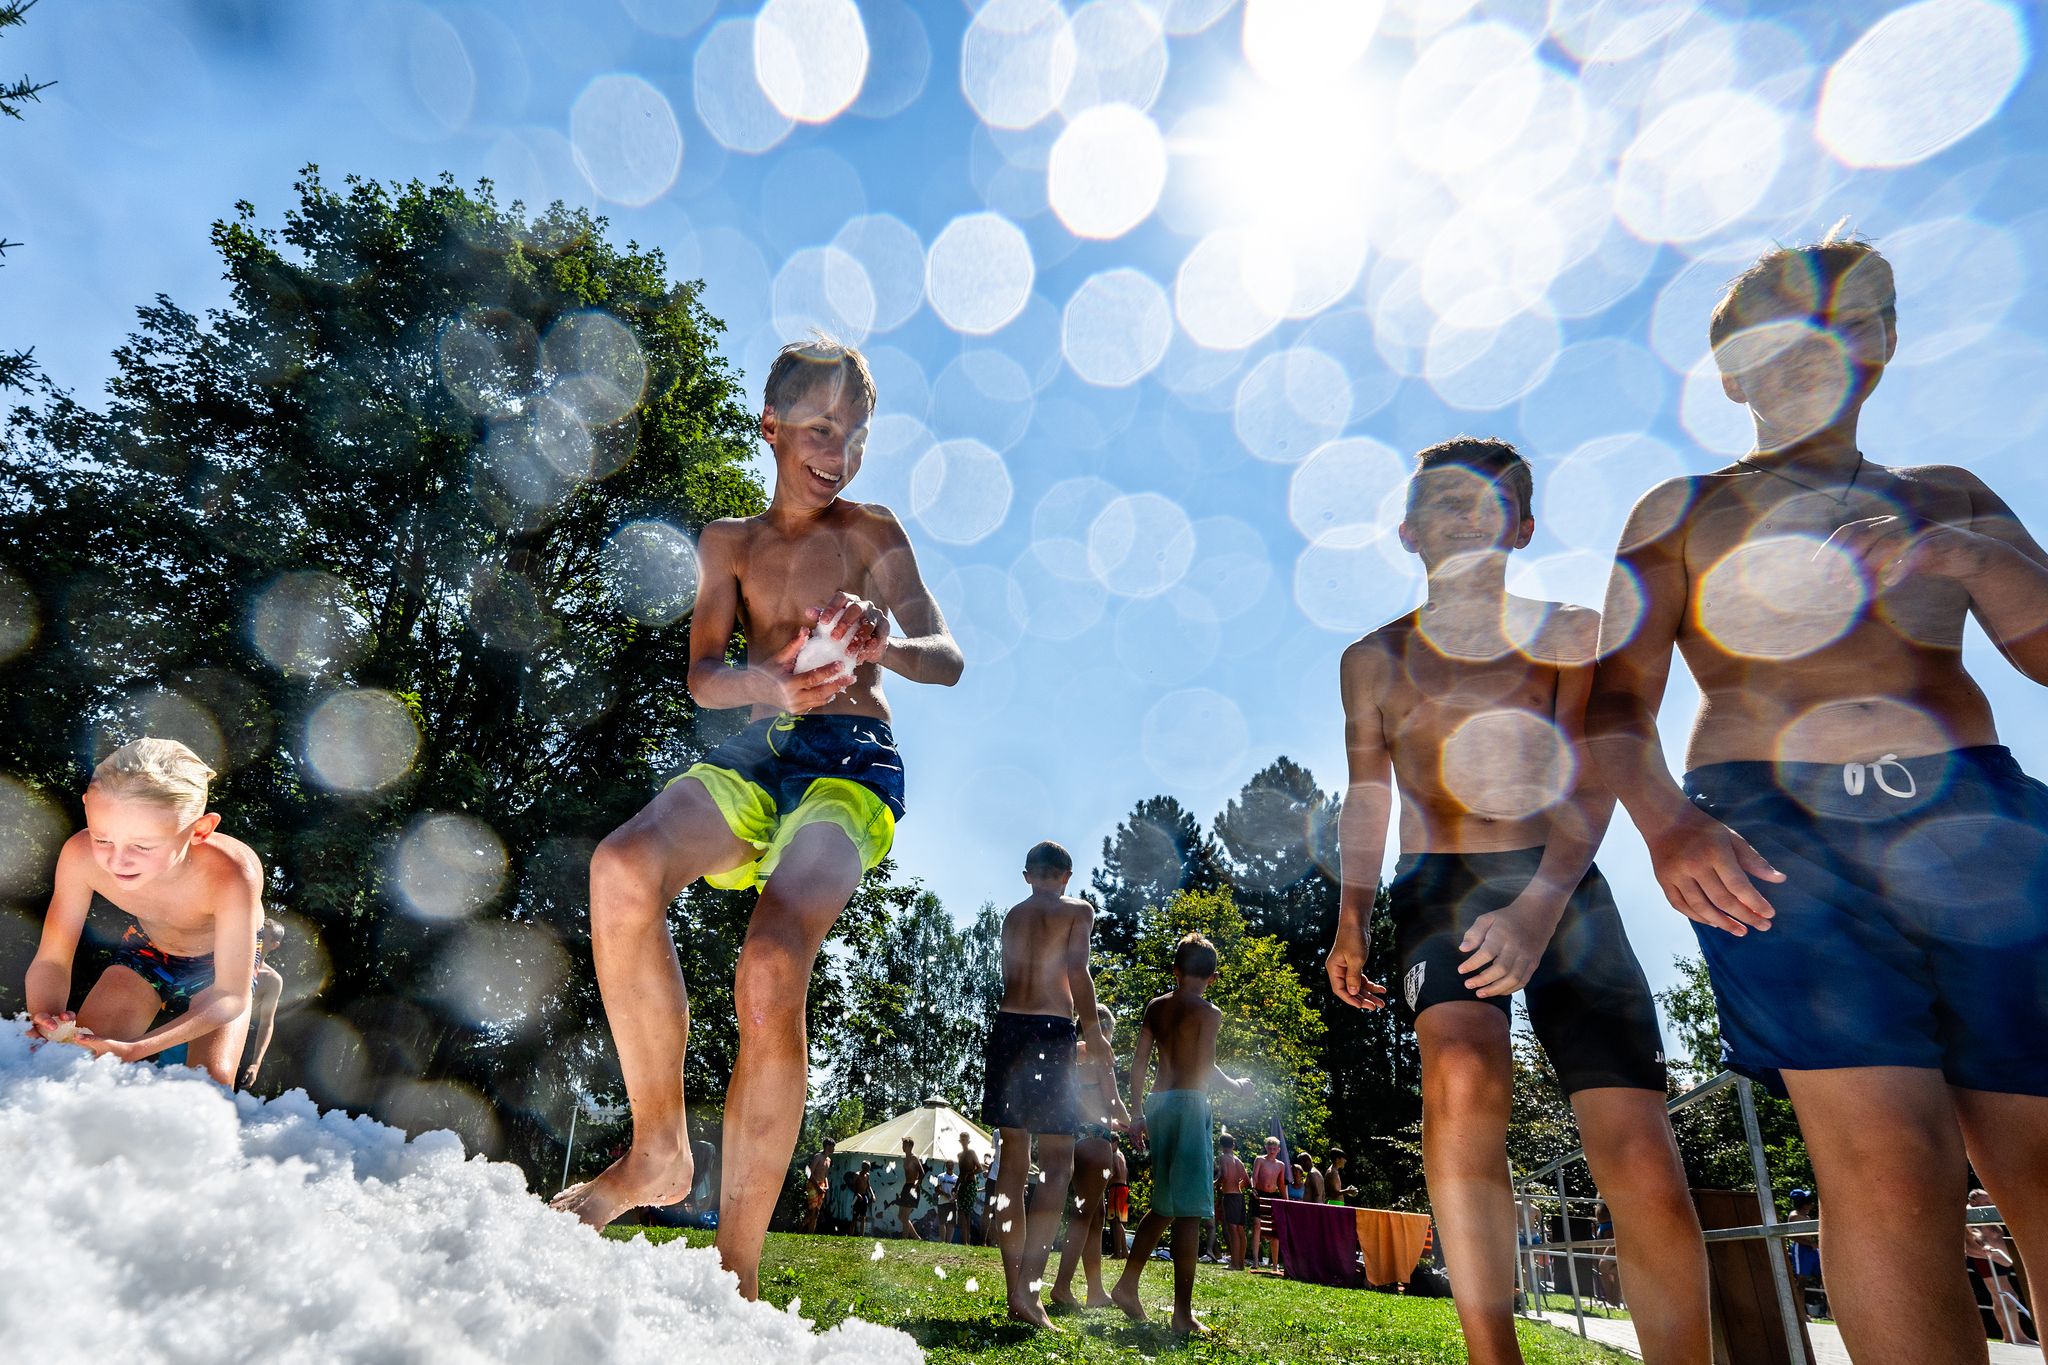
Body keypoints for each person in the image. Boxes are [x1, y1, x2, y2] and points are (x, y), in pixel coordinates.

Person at [1585, 232, 2048, 1365]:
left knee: (2039, 1163)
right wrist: (1667, 824)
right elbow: (1606, 709)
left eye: (1837, 322)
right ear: (1731, 371)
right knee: (1889, 1164)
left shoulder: (1946, 494)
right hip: (1773, 833)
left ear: (1880, 347)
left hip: (1976, 827)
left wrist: (1956, 555)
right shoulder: (1681, 507)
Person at [553, 338, 964, 1299]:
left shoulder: (873, 530)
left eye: (856, 434)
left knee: (772, 964)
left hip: (849, 766)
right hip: (755, 752)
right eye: (821, 430)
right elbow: (703, 677)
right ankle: (658, 1149)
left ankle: (733, 1281)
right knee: (619, 867)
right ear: (772, 426)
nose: (841, 451)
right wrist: (769, 680)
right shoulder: (727, 543)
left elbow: (946, 654)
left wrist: (886, 646)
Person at [1327, 436, 1711, 1365]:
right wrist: (1351, 918)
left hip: (1564, 879)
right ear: (1410, 530)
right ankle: (1493, 1356)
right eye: (1444, 505)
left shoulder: (1571, 632)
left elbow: (1594, 774)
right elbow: (1368, 793)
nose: (1464, 520)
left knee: (1636, 1146)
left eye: (1487, 504)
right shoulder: (1371, 660)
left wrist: (1542, 900)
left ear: (1524, 525)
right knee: (1460, 1070)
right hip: (1439, 888)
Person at [26, 738, 263, 1088]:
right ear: (88, 807)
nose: (117, 860)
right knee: (74, 1066)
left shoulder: (231, 874)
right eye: (102, 838)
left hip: (220, 969)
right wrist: (45, 1016)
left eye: (142, 846)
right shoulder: (79, 857)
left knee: (208, 1091)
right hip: (148, 950)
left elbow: (230, 996)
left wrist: (137, 1049)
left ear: (200, 830)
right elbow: (52, 960)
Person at [981, 839, 1123, 1328]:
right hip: (1048, 1032)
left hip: (1007, 1031)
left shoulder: (1013, 916)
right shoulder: (1077, 909)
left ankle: (1013, 1287)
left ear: (1027, 875)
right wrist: (1094, 1037)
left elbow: (1011, 974)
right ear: (1066, 875)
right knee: (1057, 1163)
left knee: (1014, 1162)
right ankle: (1030, 1290)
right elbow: (1076, 971)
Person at [1111, 933, 1250, 1335]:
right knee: (1189, 1210)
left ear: (1175, 970)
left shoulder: (1156, 1007)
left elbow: (1139, 1062)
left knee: (1167, 1203)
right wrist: (1238, 1086)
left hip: (1158, 1104)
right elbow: (1206, 1067)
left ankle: (1126, 1286)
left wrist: (1136, 1113)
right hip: (1190, 1105)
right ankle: (1182, 1314)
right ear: (1214, 977)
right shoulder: (1210, 1013)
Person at [1051, 1003, 1127, 1310]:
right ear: (1105, 1030)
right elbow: (1113, 1100)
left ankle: (1095, 1290)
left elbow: (1075, 1101)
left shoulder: (1070, 1053)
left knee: (1094, 1216)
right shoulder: (1100, 1053)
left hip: (1070, 1138)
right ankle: (1062, 1286)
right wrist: (1136, 1122)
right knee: (1083, 1217)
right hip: (1095, 1141)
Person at [1966, 1189, 2035, 1347]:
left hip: (1997, 1259)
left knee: (2002, 1296)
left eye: (1991, 1202)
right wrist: (1986, 1246)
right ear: (1974, 1202)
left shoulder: (1982, 1211)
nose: (1989, 1205)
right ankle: (2015, 1335)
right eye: (1986, 1202)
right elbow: (1976, 1232)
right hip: (1985, 1258)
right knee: (2005, 1295)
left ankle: (2012, 1335)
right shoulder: (1971, 1213)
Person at [238, 917, 285, 1091]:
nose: (255, 937)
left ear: (274, 944)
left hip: (233, 1039)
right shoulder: (227, 958)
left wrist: (256, 1064)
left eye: (261, 935)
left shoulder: (272, 980)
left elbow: (266, 1023)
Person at [1786, 1187, 1826, 1322]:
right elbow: (1792, 1236)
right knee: (1802, 1282)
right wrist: (1809, 1244)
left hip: (1811, 1250)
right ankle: (1800, 1313)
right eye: (1809, 1202)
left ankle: (1829, 1311)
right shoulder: (1794, 1216)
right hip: (1801, 1251)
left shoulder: (1806, 1217)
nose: (1812, 1205)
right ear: (1803, 1203)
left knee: (1824, 1277)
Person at [1250, 1134, 1288, 1269]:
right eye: (1269, 1148)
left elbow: (1282, 1184)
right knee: (1256, 1224)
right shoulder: (1260, 1160)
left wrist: (1286, 1201)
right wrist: (1253, 1188)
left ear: (1278, 1150)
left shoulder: (1281, 1165)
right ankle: (1255, 1261)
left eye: (1274, 1148)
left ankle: (1275, 1264)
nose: (1272, 1150)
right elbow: (1254, 1176)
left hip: (1273, 1196)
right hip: (1258, 1194)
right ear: (1266, 1147)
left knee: (1274, 1229)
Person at [1214, 1133, 1251, 1271]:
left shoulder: (1223, 1158)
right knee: (1240, 1230)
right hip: (1239, 1197)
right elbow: (1247, 1181)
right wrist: (1237, 1186)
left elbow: (1224, 1175)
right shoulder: (1238, 1160)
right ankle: (1240, 1264)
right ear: (1233, 1145)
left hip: (1230, 1197)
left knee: (1233, 1230)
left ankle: (1234, 1264)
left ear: (1221, 1145)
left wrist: (1214, 1183)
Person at [894, 1136, 925, 1240]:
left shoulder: (913, 1158)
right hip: (906, 1187)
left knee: (905, 1216)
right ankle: (916, 1237)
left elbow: (922, 1173)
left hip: (913, 1187)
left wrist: (916, 1185)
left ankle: (904, 1239)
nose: (902, 1147)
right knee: (900, 1216)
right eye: (903, 1145)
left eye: (904, 1145)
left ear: (909, 1147)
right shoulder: (905, 1159)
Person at [802, 1139, 835, 1234]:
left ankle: (810, 1234)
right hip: (813, 1184)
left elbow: (825, 1175)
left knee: (816, 1212)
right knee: (812, 1211)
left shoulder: (829, 1160)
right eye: (833, 1146)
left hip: (822, 1185)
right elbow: (809, 1173)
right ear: (828, 1146)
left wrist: (827, 1186)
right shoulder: (818, 1156)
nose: (834, 1149)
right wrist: (818, 1187)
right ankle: (800, 1228)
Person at [956, 1133, 984, 1246]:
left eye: (965, 1139)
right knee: (962, 1212)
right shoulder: (959, 1155)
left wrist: (970, 1173)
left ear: (968, 1141)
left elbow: (980, 1168)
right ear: (960, 1141)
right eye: (962, 1139)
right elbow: (961, 1173)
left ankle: (966, 1241)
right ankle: (965, 1241)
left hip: (971, 1185)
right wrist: (955, 1186)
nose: (963, 1141)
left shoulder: (971, 1153)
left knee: (965, 1213)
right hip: (962, 1185)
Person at [1105, 1147, 1131, 1259]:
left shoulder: (1115, 1156)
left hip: (1116, 1188)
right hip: (1123, 1189)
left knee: (1115, 1221)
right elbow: (1126, 1173)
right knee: (1119, 1220)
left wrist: (1105, 1181)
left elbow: (1118, 1174)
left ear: (1115, 1142)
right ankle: (1123, 1251)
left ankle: (1119, 1252)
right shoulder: (1122, 1156)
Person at [850, 1162, 874, 1237]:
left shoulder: (867, 1175)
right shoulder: (857, 1175)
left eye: (869, 1168)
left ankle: (861, 1235)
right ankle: (850, 1234)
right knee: (855, 1217)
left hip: (864, 1196)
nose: (868, 1169)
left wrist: (872, 1195)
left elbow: (869, 1186)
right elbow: (852, 1186)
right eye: (867, 1167)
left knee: (863, 1217)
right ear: (863, 1167)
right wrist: (857, 1193)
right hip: (857, 1197)